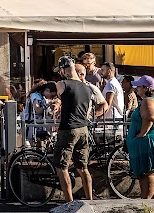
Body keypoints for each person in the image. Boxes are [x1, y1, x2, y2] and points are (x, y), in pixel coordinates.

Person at [53, 56, 102, 202]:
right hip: (83, 129)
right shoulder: (87, 88)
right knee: (83, 167)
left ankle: (69, 202)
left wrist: (55, 103)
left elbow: (58, 95)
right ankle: (90, 201)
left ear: (63, 70)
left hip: (68, 129)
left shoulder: (62, 84)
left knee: (62, 167)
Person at [127, 75, 154, 199]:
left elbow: (151, 117)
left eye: (139, 87)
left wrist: (142, 133)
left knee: (148, 173)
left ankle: (146, 202)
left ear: (146, 88)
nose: (136, 89)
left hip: (149, 141)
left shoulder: (147, 101)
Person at [100, 62, 124, 136]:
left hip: (111, 120)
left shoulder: (111, 84)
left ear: (109, 71)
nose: (101, 72)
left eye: (103, 70)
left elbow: (107, 103)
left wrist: (99, 115)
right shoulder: (113, 83)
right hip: (114, 119)